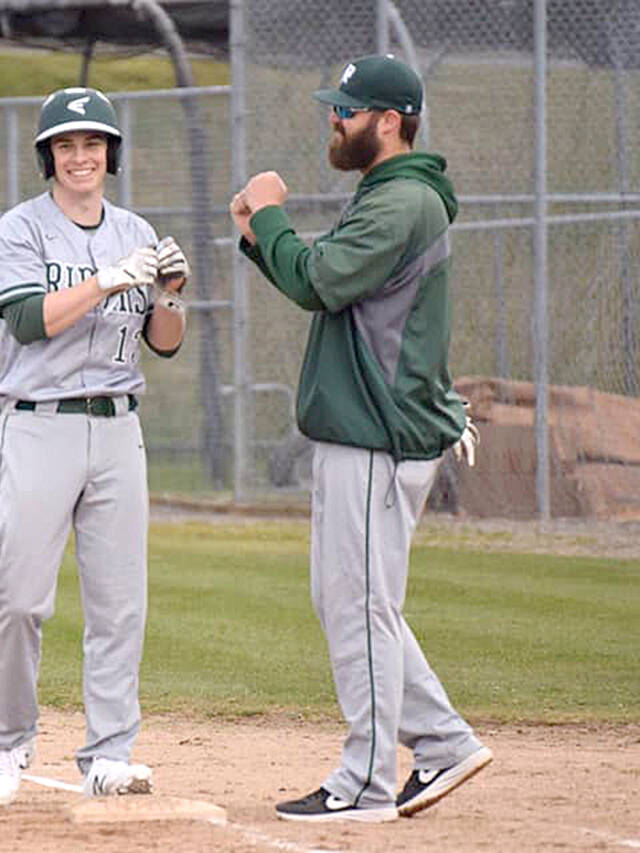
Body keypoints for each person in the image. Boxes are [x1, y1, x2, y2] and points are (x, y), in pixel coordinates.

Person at [229, 55, 490, 822]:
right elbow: (323, 279)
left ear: (388, 120)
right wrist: (259, 238)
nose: (333, 120)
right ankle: (441, 741)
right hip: (367, 428)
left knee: (362, 607)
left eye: (347, 109)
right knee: (348, 600)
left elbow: (318, 281)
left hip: (378, 432)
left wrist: (271, 214)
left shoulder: (403, 199)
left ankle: (368, 780)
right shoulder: (389, 195)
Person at [0, 86, 190, 807]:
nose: (80, 157)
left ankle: (109, 753)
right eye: (66, 145)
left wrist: (170, 294)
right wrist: (105, 281)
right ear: (48, 156)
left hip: (118, 425)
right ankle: (9, 742)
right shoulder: (20, 229)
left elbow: (163, 344)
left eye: (92, 144)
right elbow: (32, 320)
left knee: (119, 602)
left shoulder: (137, 227)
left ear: (111, 153)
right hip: (41, 421)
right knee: (19, 597)